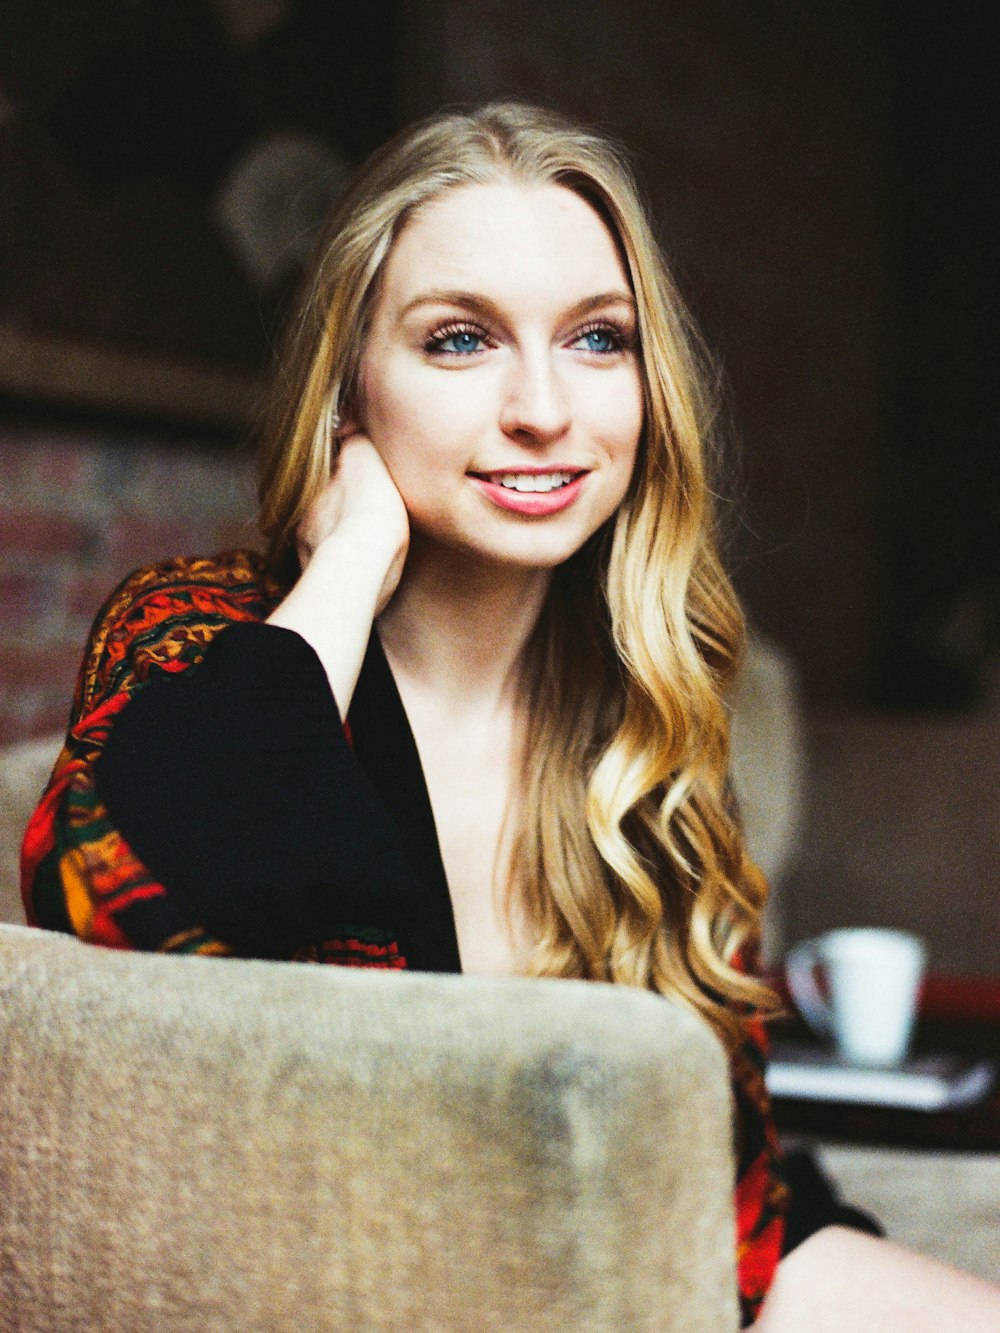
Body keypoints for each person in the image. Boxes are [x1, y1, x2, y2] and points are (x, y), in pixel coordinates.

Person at [21, 102, 1000, 1330]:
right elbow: (125, 881)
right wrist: (352, 560)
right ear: (350, 386)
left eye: (596, 339)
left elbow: (722, 1190)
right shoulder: (217, 643)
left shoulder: (643, 703)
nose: (543, 408)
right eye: (458, 341)